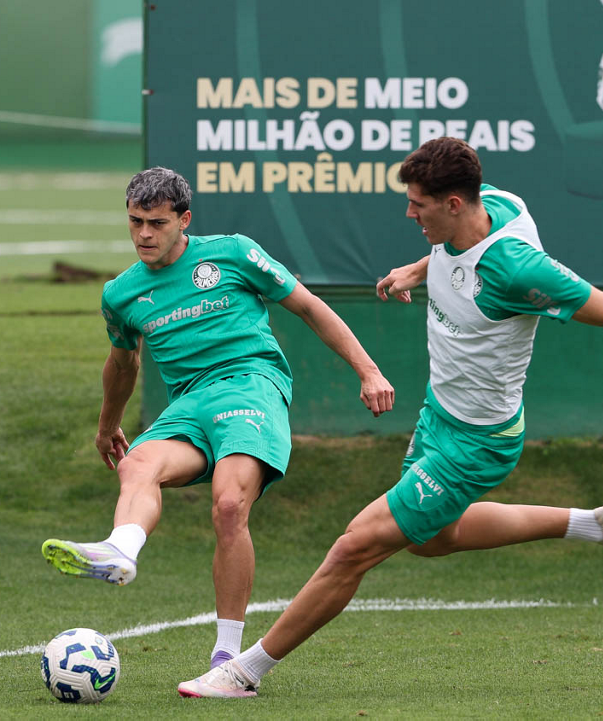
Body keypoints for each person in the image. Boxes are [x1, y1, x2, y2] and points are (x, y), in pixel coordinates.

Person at [177, 137, 603, 698]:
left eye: (418, 205)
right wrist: (416, 271)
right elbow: (448, 251)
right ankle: (596, 523)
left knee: (354, 547)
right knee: (431, 541)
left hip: (477, 443)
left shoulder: (518, 269)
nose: (410, 214)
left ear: (454, 203)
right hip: (440, 416)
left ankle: (244, 671)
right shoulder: (491, 203)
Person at [41, 167, 395, 671]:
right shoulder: (120, 293)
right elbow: (123, 363)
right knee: (137, 463)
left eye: (158, 223)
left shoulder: (232, 253)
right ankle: (121, 550)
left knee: (229, 505)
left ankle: (228, 654)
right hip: (188, 404)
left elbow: (309, 307)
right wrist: (106, 426)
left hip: (251, 384)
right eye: (136, 221)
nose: (144, 233)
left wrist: (369, 371)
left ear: (184, 220)